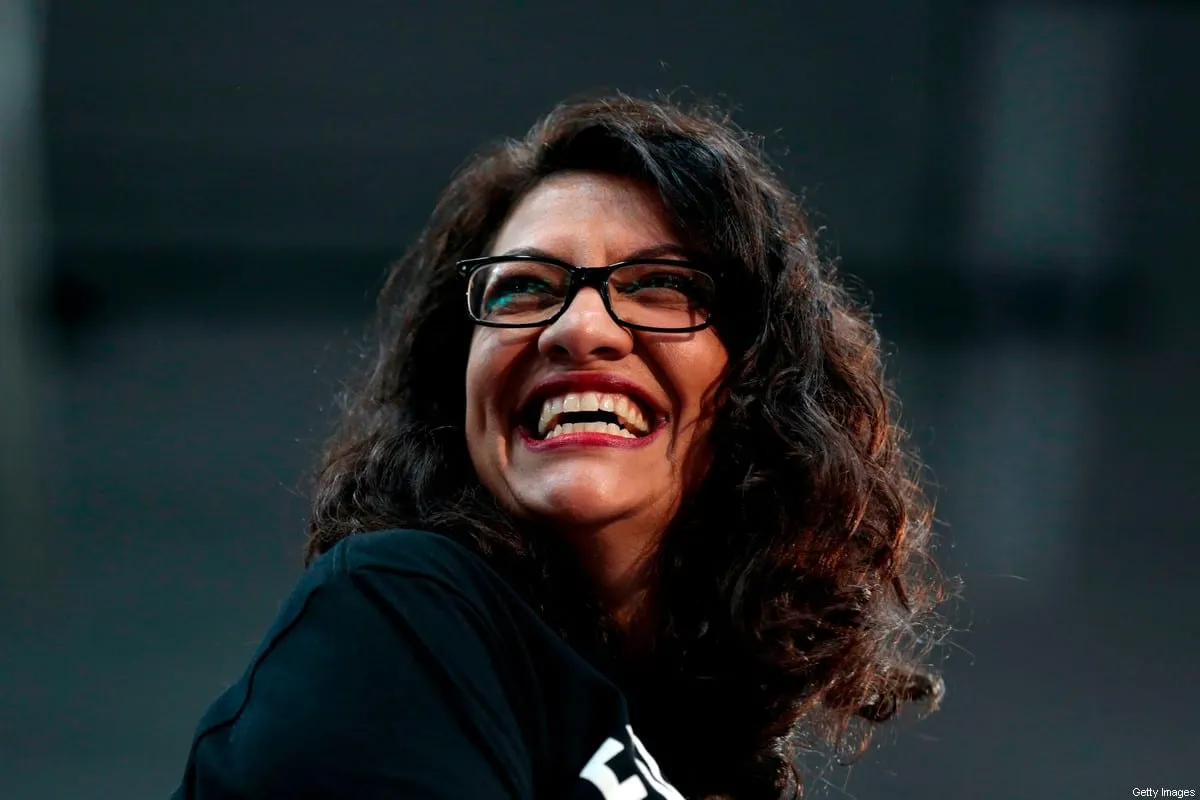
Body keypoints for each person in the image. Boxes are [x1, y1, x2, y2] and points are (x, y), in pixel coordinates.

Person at [172, 93, 948, 800]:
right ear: (456, 384)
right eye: (523, 289)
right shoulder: (400, 610)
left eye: (660, 284)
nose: (578, 328)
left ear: (761, 386)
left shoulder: (717, 764)